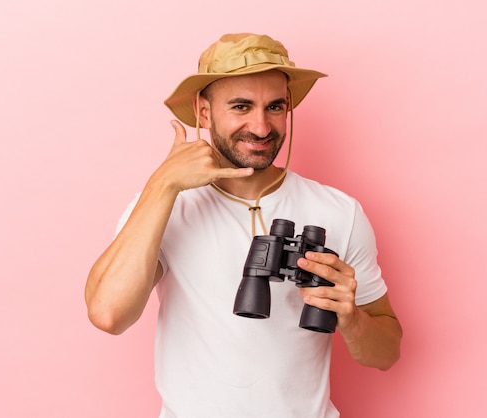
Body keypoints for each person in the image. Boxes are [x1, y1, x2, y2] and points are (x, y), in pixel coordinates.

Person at [85, 33, 402, 418]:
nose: (262, 126)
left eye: (274, 107)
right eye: (241, 106)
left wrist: (352, 320)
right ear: (204, 113)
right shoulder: (165, 205)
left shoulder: (339, 211)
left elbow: (385, 354)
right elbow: (108, 314)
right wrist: (163, 184)